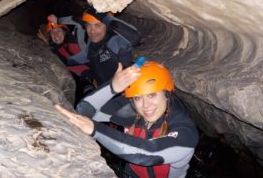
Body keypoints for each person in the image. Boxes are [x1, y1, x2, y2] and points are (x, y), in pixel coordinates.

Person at [55, 60, 199, 178]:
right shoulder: (133, 111)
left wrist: (95, 129)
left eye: (152, 95)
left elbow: (147, 154)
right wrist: (112, 87)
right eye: (138, 98)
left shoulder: (184, 130)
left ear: (167, 94)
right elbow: (84, 111)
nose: (145, 105)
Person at [60, 6, 140, 88]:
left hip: (124, 94)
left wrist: (107, 19)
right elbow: (74, 60)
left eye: (97, 25)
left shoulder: (114, 41)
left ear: (107, 26)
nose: (92, 31)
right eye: (88, 25)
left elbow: (134, 37)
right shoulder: (91, 46)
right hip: (104, 95)